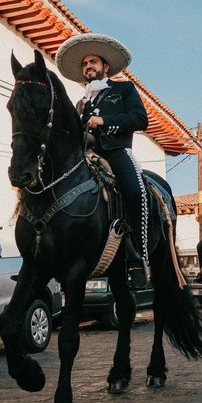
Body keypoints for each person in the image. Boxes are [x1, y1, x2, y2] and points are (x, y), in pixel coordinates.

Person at [56, 33, 149, 289]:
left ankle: (137, 257)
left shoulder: (123, 89)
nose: (89, 66)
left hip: (116, 151)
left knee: (134, 191)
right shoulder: (81, 102)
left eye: (93, 62)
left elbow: (140, 119)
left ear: (105, 67)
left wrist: (105, 121)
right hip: (86, 157)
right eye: (85, 64)